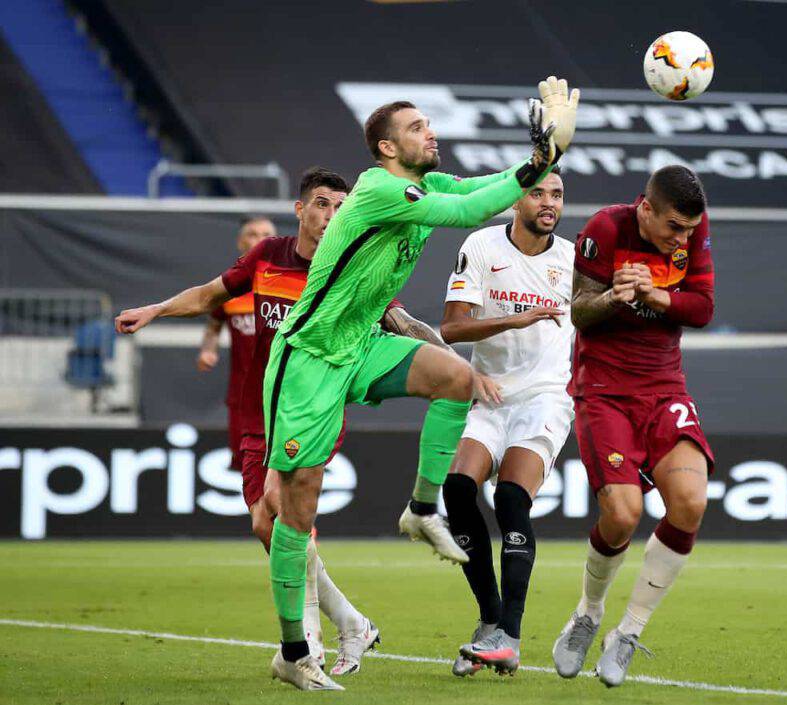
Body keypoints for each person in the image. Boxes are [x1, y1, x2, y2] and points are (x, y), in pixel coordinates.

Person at [261, 77, 580, 690]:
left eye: (429, 125)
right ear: (385, 148)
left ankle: (420, 508)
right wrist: (541, 161)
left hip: (364, 344)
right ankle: (294, 652)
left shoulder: (424, 182)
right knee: (297, 508)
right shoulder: (382, 190)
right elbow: (467, 213)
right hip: (310, 356)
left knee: (458, 379)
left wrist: (541, 162)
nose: (430, 133)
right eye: (416, 127)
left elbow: (482, 191)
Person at [114, 167, 452, 677]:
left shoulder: (354, 264)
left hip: (313, 408)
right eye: (321, 204)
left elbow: (399, 320)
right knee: (264, 524)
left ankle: (304, 648)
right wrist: (156, 310)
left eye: (341, 206)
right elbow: (211, 295)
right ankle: (351, 622)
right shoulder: (269, 257)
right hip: (256, 413)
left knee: (281, 507)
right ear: (301, 210)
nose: (331, 215)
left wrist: (451, 364)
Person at [550, 165, 715, 687]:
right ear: (645, 209)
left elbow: (703, 308)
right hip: (604, 388)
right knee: (623, 515)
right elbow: (579, 312)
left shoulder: (692, 231)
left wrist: (654, 294)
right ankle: (587, 613)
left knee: (690, 503)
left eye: (689, 230)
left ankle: (628, 631)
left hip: (665, 387)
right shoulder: (605, 229)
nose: (682, 239)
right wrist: (613, 298)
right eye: (673, 228)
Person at [440, 167, 574, 677]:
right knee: (457, 489)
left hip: (546, 397)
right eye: (537, 192)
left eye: (557, 194)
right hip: (490, 393)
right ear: (515, 201)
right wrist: (512, 319)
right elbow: (452, 327)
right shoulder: (481, 246)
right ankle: (490, 620)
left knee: (511, 498)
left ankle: (510, 637)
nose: (548, 202)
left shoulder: (573, 262)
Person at [195, 215, 275, 477]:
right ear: (241, 242)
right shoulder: (230, 289)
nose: (259, 239)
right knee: (249, 470)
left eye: (266, 234)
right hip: (242, 396)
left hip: (284, 395)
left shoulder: (292, 285)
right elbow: (213, 326)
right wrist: (209, 348)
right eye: (253, 234)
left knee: (284, 470)